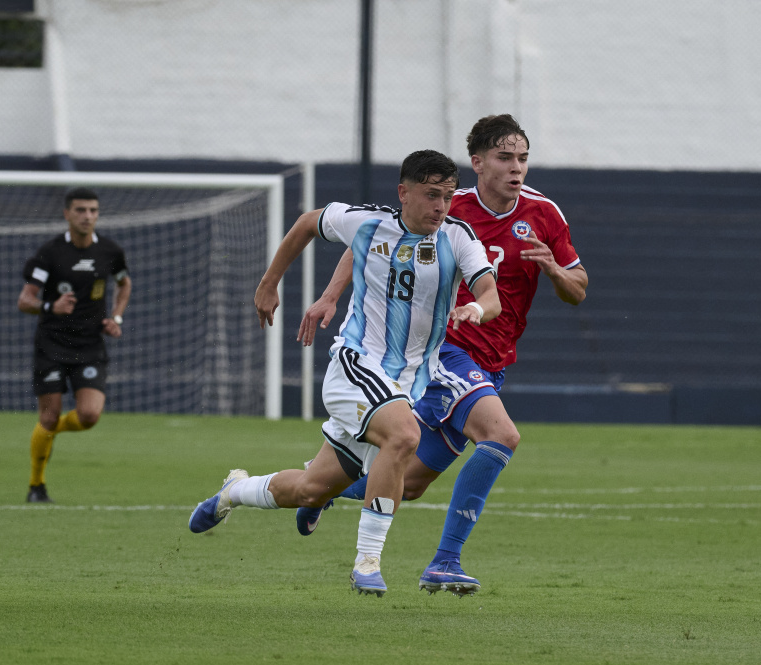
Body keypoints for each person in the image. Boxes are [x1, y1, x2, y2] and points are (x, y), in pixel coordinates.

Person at [296, 114, 588, 596]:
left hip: (491, 360)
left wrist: (554, 269)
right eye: (505, 158)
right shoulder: (449, 208)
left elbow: (578, 290)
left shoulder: (544, 214)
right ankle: (445, 562)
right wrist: (330, 295)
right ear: (478, 163)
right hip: (446, 351)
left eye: (523, 158)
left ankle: (321, 490)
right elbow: (371, 242)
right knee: (501, 434)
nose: (517, 168)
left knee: (409, 483)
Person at [187, 149, 500, 598]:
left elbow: (491, 295)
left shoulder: (457, 237)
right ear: (404, 192)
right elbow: (305, 223)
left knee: (312, 490)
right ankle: (367, 563)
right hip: (356, 365)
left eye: (448, 197)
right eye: (431, 195)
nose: (441, 207)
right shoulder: (366, 222)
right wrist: (268, 282)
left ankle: (234, 491)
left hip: (407, 383)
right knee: (405, 437)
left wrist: (475, 307)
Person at [18, 187, 132, 503]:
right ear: (67, 214)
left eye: (93, 210)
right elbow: (25, 300)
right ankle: (36, 486)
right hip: (51, 345)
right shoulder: (49, 254)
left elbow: (124, 285)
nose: (88, 216)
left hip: (90, 345)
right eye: (81, 210)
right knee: (50, 416)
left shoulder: (110, 252)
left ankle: (48, 432)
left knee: (89, 416)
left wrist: (116, 318)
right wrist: (49, 307)